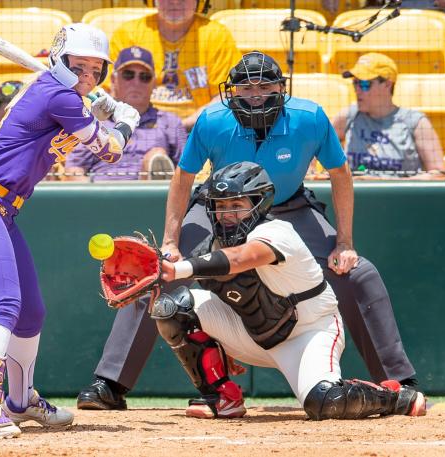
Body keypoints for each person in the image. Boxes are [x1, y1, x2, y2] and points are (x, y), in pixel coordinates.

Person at [77, 51, 419, 411]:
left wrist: (345, 243)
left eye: (265, 84)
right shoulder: (211, 120)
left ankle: (399, 383)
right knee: (157, 270)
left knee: (358, 272)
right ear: (232, 91)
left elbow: (340, 174)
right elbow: (183, 178)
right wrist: (170, 242)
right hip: (221, 208)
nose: (255, 92)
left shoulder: (310, 118)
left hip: (289, 205)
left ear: (280, 88)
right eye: (245, 86)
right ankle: (109, 384)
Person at [0, 23, 140, 438]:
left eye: (95, 69)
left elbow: (81, 118)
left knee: (31, 312)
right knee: (5, 303)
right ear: (59, 60)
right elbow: (109, 151)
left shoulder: (65, 95)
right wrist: (124, 121)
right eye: (78, 66)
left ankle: (19, 401)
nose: (87, 75)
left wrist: (98, 109)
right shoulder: (55, 93)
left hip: (2, 209)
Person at [153, 161, 426, 419]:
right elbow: (228, 296)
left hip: (309, 333)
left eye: (238, 204)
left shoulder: (278, 231)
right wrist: (222, 345)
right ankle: (222, 398)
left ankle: (394, 395)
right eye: (221, 205)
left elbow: (240, 259)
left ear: (258, 204)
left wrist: (177, 269)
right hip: (253, 333)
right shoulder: (212, 246)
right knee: (170, 308)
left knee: (324, 401)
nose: (228, 214)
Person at [108, 0, 241, 130]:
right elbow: (108, 91)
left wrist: (180, 128)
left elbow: (226, 96)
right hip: (136, 129)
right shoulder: (128, 34)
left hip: (196, 130)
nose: (175, 2)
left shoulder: (216, 36)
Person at [66, 46, 186, 181]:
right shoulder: (94, 120)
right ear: (113, 80)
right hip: (103, 194)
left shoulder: (170, 122)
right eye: (128, 75)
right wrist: (94, 197)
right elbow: (74, 169)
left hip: (151, 196)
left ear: (154, 84)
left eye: (145, 77)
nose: (136, 82)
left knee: (157, 156)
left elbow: (188, 171)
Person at [332, 53, 445, 179]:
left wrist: (383, 182)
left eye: (365, 84)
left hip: (399, 196)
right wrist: (312, 171)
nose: (357, 90)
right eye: (355, 83)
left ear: (387, 84)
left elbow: (439, 174)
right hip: (357, 196)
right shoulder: (348, 117)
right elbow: (314, 144)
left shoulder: (415, 122)